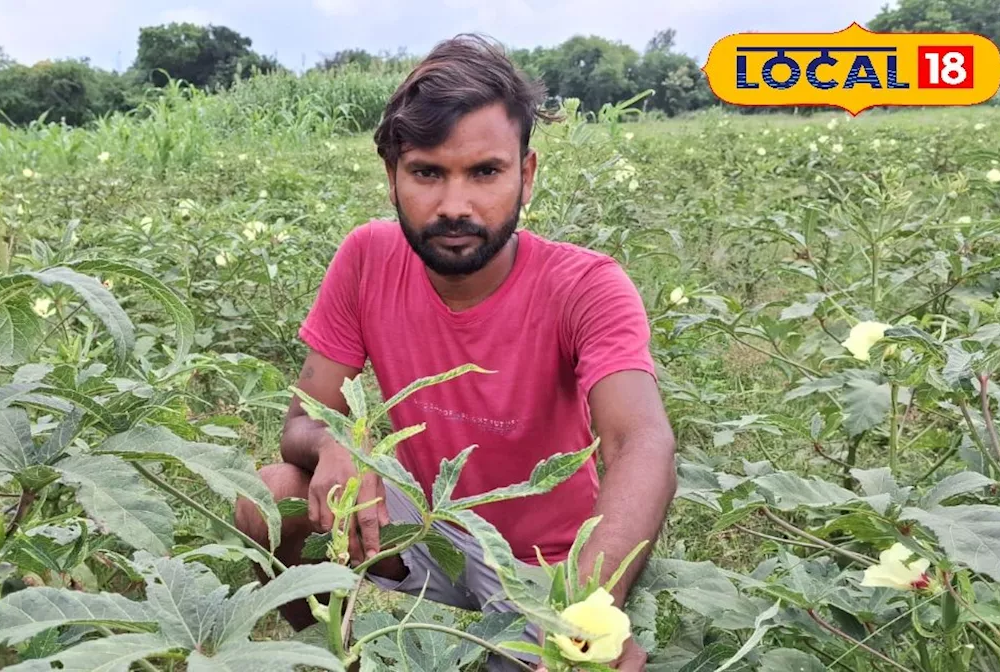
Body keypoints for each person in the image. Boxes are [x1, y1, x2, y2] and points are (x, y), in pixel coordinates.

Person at [234, 33, 677, 672]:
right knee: (267, 496)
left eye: (485, 172)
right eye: (427, 172)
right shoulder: (366, 259)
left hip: (542, 565)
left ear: (525, 176)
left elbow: (640, 442)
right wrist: (340, 446)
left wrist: (586, 606)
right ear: (392, 177)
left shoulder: (586, 285)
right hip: (425, 528)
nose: (454, 206)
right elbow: (301, 425)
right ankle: (335, 655)